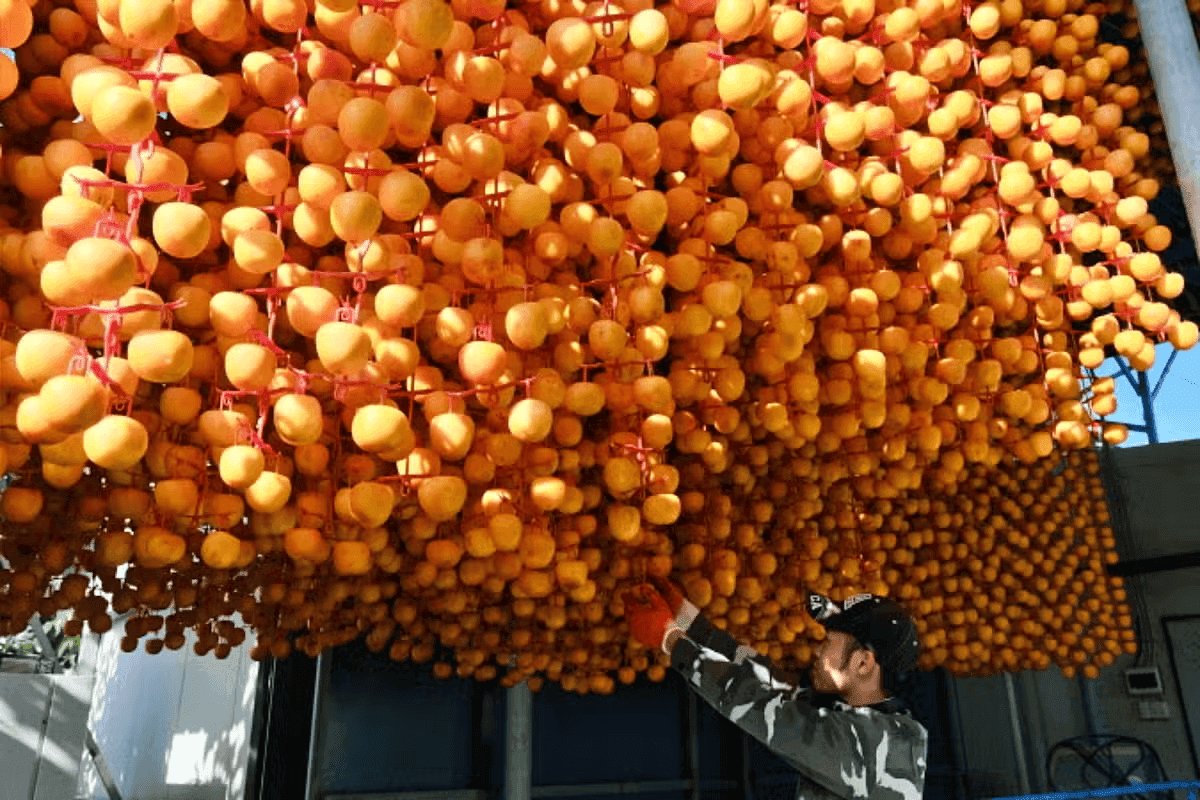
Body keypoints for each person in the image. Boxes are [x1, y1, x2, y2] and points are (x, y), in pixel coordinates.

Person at [624, 581, 927, 800]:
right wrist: (689, 622)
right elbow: (766, 679)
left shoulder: (868, 745)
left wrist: (671, 639)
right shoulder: (870, 724)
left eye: (829, 644)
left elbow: (756, 703)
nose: (819, 654)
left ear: (862, 662)